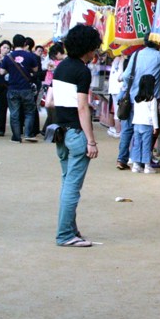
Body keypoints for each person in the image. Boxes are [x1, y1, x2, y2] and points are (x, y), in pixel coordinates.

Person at [51, 24, 102, 247]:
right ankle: (65, 234)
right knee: (72, 187)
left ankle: (70, 230)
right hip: (75, 133)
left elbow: (50, 101)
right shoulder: (82, 71)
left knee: (67, 183)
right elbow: (83, 108)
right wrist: (91, 140)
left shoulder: (60, 67)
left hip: (60, 132)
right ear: (88, 48)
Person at [116, 38, 160, 171]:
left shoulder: (136, 54)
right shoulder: (159, 56)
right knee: (150, 132)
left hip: (133, 99)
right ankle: (145, 161)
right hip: (149, 100)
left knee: (128, 130)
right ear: (157, 42)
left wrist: (131, 87)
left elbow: (127, 75)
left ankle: (122, 159)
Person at [1, 35, 40, 143]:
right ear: (24, 44)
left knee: (14, 113)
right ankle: (27, 134)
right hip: (26, 88)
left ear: (13, 44)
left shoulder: (8, 57)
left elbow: (1, 72)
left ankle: (16, 137)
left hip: (13, 88)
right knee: (29, 112)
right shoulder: (30, 56)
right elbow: (35, 69)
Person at [130, 74, 159, 174]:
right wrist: (156, 126)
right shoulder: (152, 99)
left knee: (136, 145)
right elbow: (153, 114)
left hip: (136, 124)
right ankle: (147, 166)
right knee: (146, 145)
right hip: (147, 125)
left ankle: (135, 165)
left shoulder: (136, 98)